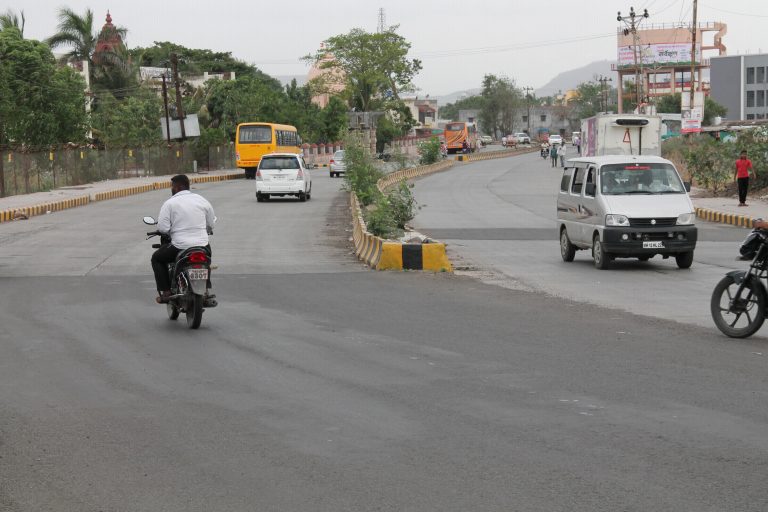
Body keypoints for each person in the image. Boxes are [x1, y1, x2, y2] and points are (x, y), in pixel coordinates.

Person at [151, 174, 216, 303]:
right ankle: (205, 290)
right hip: (202, 245)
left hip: (179, 246)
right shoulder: (202, 200)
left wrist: (169, 232)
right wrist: (205, 231)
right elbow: (211, 224)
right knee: (206, 260)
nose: (171, 189)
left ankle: (166, 292)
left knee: (156, 258)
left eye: (172, 186)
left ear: (178, 187)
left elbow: (163, 228)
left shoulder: (170, 203)